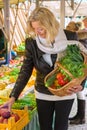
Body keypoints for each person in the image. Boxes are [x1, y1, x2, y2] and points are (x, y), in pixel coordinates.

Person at [0, 7, 87, 130]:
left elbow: (82, 64)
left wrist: (81, 85)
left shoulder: (70, 37)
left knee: (61, 127)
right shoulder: (32, 42)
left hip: (66, 91)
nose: (38, 32)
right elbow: (25, 70)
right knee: (45, 127)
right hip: (43, 92)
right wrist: (13, 97)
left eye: (40, 28)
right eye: (34, 29)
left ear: (50, 24)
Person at [65, 21, 87, 124]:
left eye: (69, 26)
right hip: (80, 70)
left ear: (74, 30)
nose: (66, 27)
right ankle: (79, 115)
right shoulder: (76, 39)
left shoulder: (80, 42)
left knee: (80, 92)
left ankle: (81, 117)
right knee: (79, 93)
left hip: (82, 70)